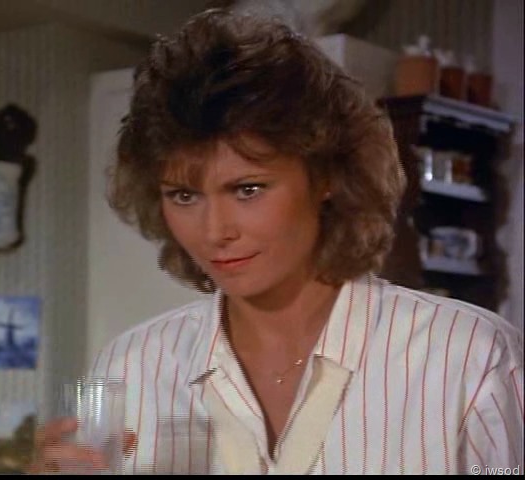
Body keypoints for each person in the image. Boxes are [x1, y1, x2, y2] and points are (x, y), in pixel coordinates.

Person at [29, 8, 523, 475]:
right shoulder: (134, 367)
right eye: (184, 195)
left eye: (248, 189)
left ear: (325, 176)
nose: (215, 231)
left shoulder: (470, 358)